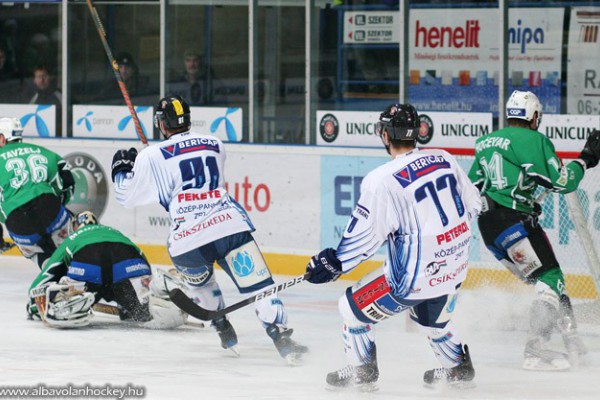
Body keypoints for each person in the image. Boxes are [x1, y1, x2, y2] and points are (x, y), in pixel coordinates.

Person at [111, 95, 308, 364]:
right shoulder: (215, 144)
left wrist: (123, 167)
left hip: (187, 242)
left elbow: (127, 196)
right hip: (229, 227)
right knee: (259, 286)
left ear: (160, 124)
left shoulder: (151, 156)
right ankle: (282, 337)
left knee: (205, 287)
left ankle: (222, 327)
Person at [305, 103, 482, 391]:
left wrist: (334, 263)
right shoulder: (444, 158)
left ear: (385, 135)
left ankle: (362, 371)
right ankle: (458, 368)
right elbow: (474, 204)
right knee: (431, 320)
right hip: (455, 268)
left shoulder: (382, 180)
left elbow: (365, 237)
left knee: (349, 308)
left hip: (411, 280)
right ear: (417, 134)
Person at [468, 90, 600, 371]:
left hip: (490, 228)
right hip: (514, 222)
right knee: (550, 280)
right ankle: (536, 349)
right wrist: (586, 158)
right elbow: (562, 182)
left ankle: (572, 342)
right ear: (534, 116)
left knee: (550, 282)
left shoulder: (485, 142)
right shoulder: (533, 139)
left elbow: (472, 188)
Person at [27, 211, 187, 329]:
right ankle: (160, 295)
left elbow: (47, 274)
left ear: (75, 226)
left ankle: (72, 301)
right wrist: (145, 283)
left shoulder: (73, 238)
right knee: (139, 311)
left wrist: (34, 302)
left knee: (67, 292)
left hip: (89, 264)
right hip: (127, 262)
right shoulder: (114, 232)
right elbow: (140, 257)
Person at [0, 116, 74, 269]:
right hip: (49, 208)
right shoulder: (42, 152)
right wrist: (61, 206)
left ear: (2, 138)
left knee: (34, 251)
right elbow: (67, 180)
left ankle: (53, 274)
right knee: (74, 240)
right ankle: (87, 269)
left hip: (17, 221)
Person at [27, 64, 61, 135]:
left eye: (44, 76)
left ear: (49, 78)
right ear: (34, 80)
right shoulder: (29, 97)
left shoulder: (59, 95)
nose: (42, 80)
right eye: (39, 77)